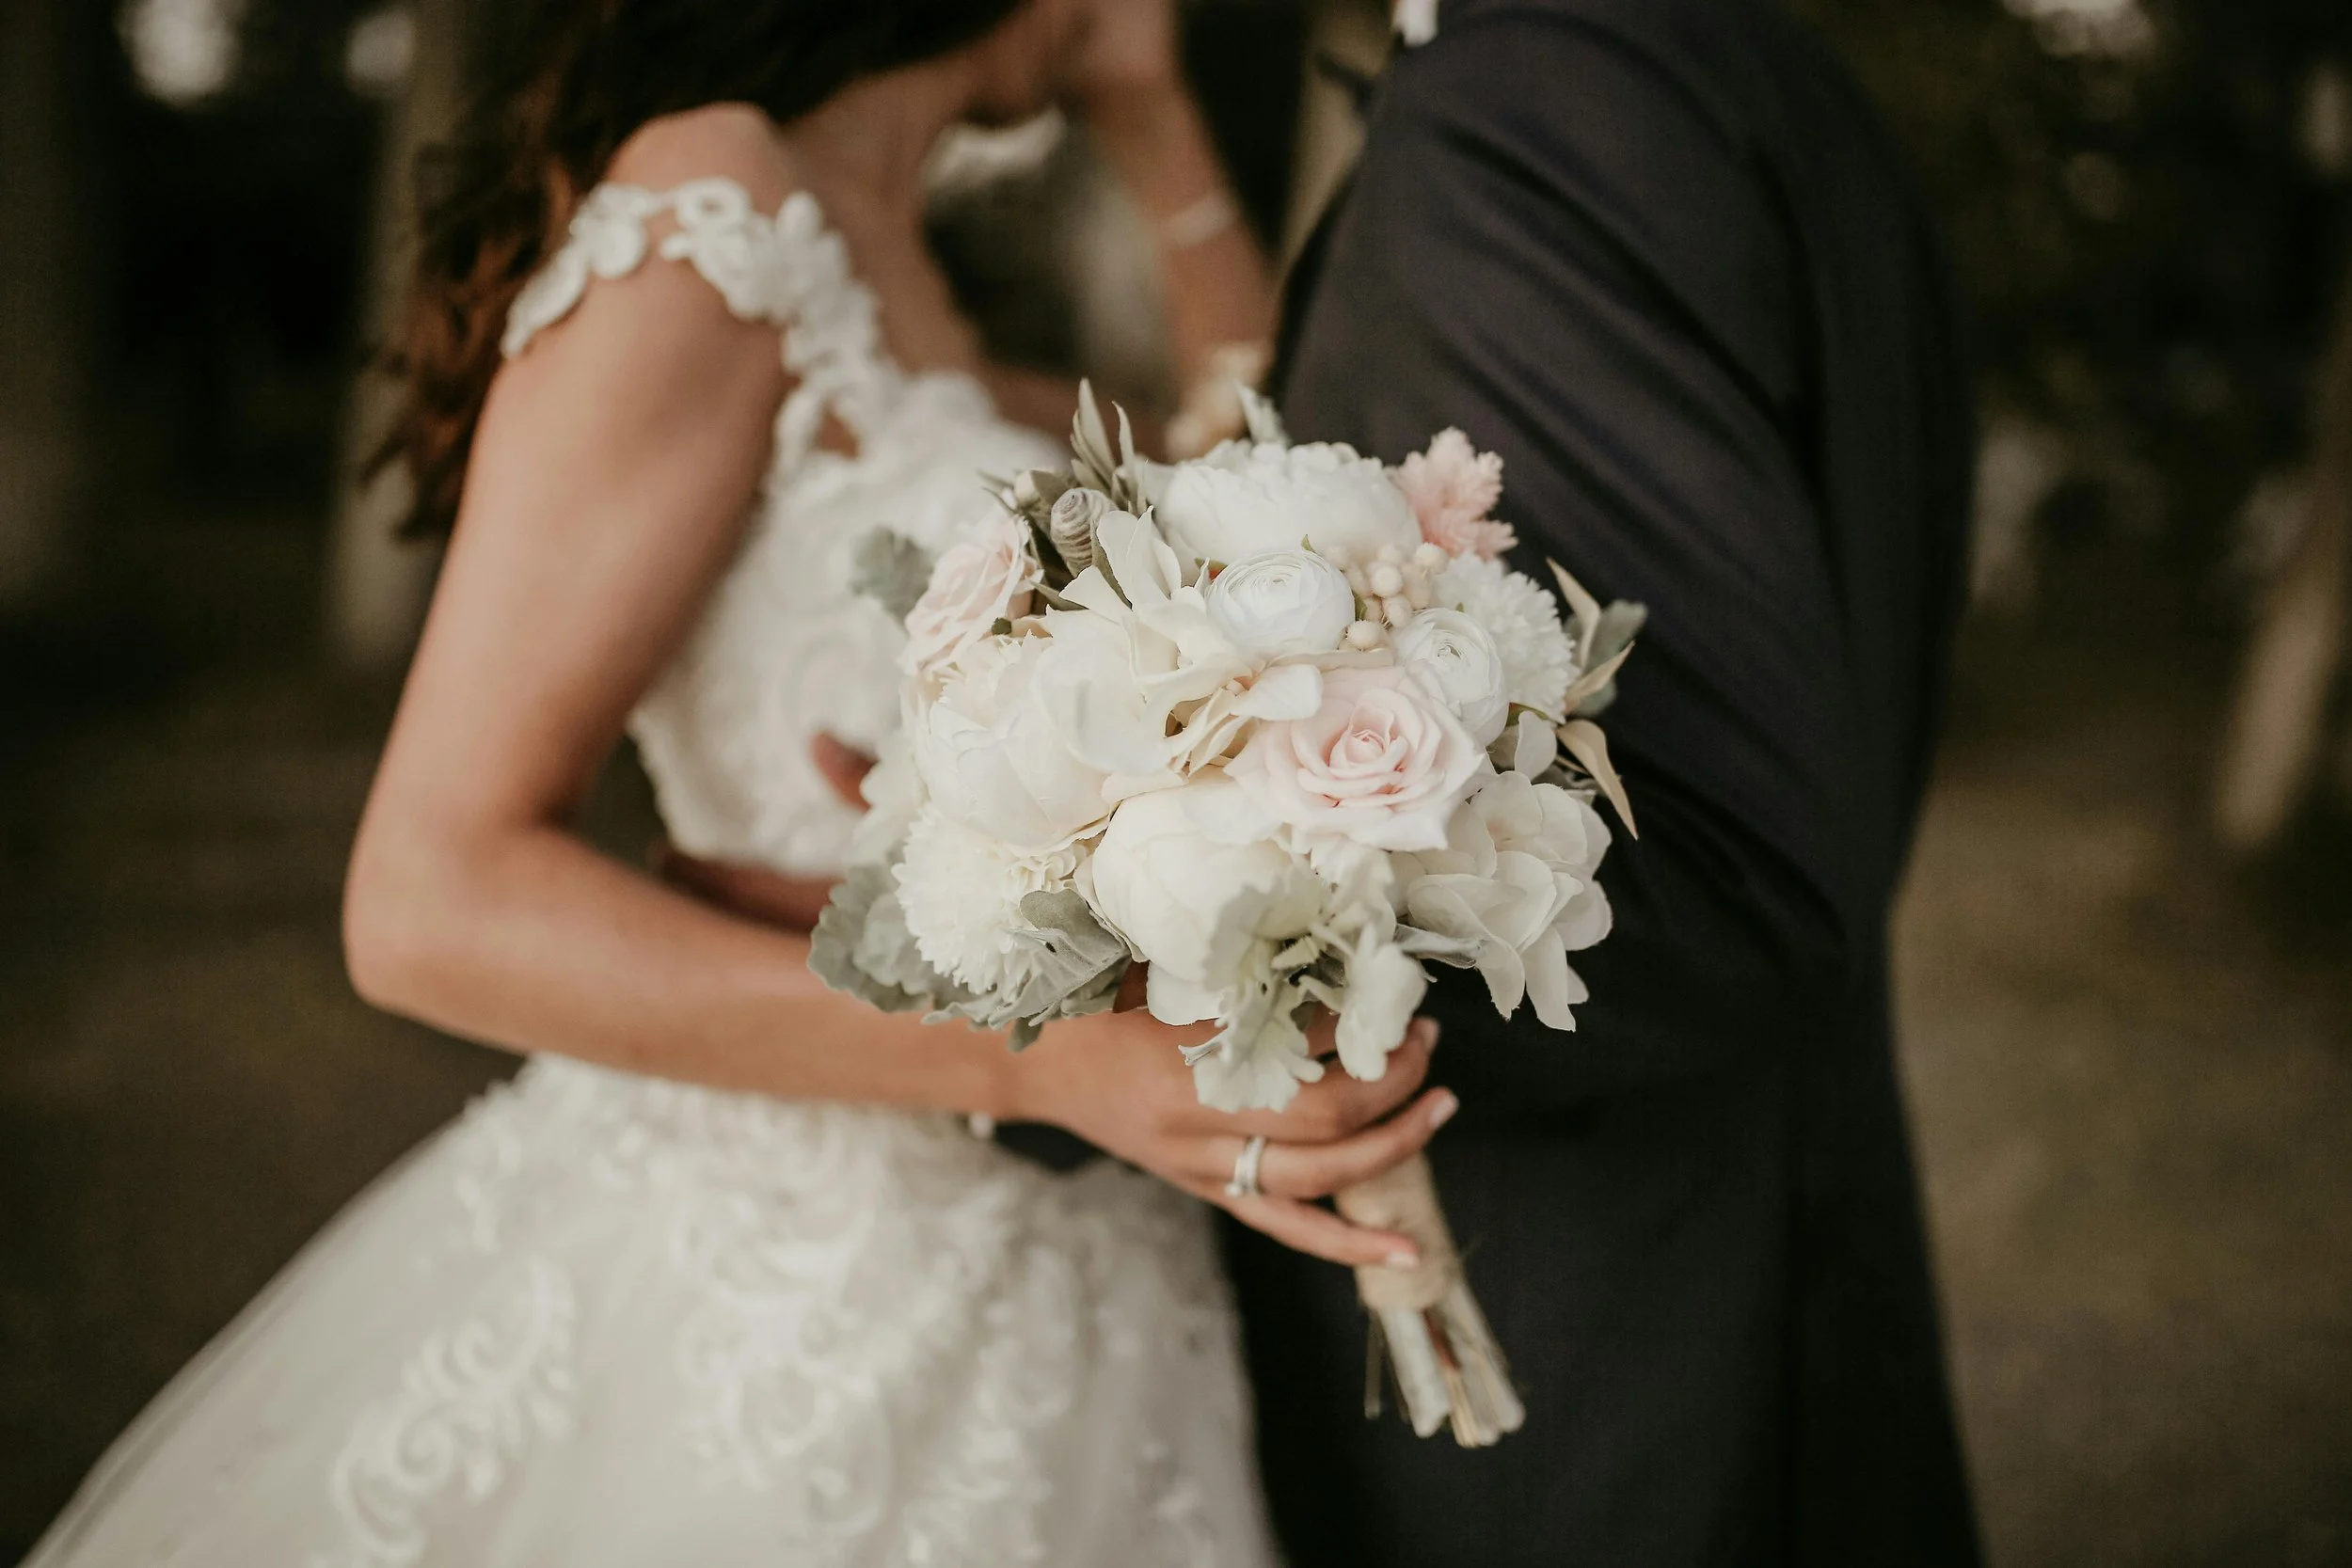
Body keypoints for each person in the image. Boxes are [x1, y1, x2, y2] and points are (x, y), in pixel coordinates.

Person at [19, 2, 1459, 1563]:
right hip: (798, 1261)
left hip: (1066, 1256)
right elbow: (427, 897)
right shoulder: (713, 211)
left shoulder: (893, 260)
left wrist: (1154, 115)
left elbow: (1252, 477)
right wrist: (1035, 1064)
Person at [1220, 0, 1985, 1562]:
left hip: (1584, 1346)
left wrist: (1143, 962)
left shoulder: (1531, 108)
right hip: (1735, 1253)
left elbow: (1729, 871)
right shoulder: (1722, 51)